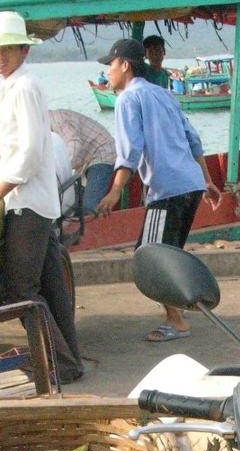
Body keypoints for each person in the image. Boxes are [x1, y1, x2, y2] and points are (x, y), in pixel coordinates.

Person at [0, 11, 84, 383]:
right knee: (50, 289)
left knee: (20, 291)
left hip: (27, 202)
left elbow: (29, 151)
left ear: (24, 51)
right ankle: (68, 362)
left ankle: (57, 364)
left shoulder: (24, 86)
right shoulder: (13, 86)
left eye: (8, 49)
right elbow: (19, 138)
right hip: (35, 199)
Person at [94, 39, 222, 342]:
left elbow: (130, 151)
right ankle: (181, 305)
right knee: (170, 252)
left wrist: (114, 192)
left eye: (110, 66)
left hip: (166, 189)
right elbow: (192, 138)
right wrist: (206, 180)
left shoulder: (128, 99)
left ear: (125, 66)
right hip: (190, 185)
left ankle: (176, 321)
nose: (108, 73)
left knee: (149, 256)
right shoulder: (163, 94)